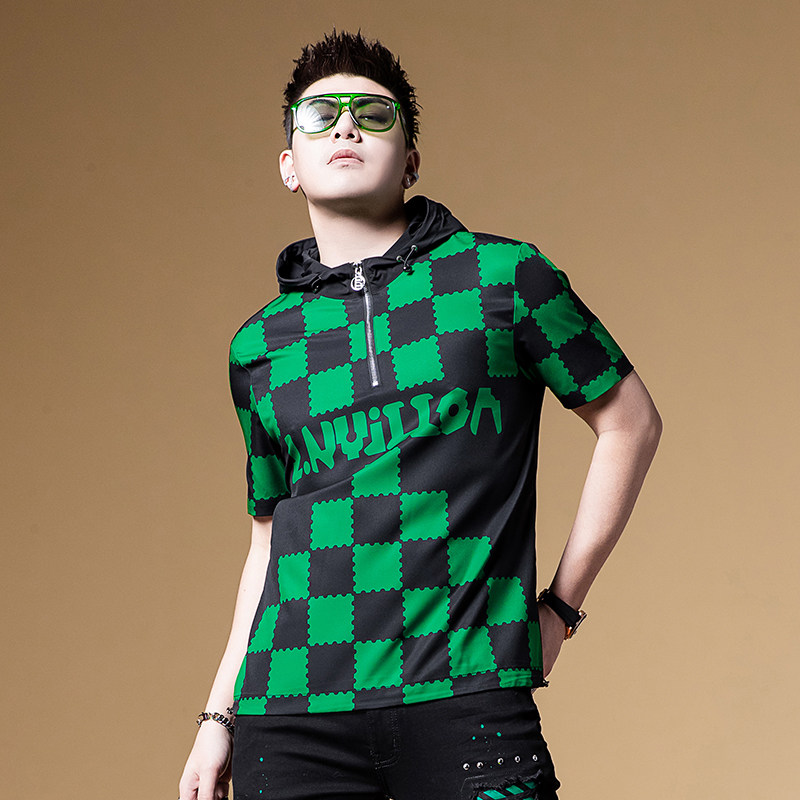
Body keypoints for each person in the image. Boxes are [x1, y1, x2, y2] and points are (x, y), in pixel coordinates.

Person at [179, 29, 662, 800]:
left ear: (410, 159)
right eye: (321, 116)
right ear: (289, 165)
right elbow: (268, 541)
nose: (346, 127)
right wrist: (219, 715)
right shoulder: (259, 347)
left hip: (467, 698)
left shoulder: (503, 278)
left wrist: (561, 609)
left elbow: (630, 423)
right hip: (290, 717)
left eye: (374, 115)